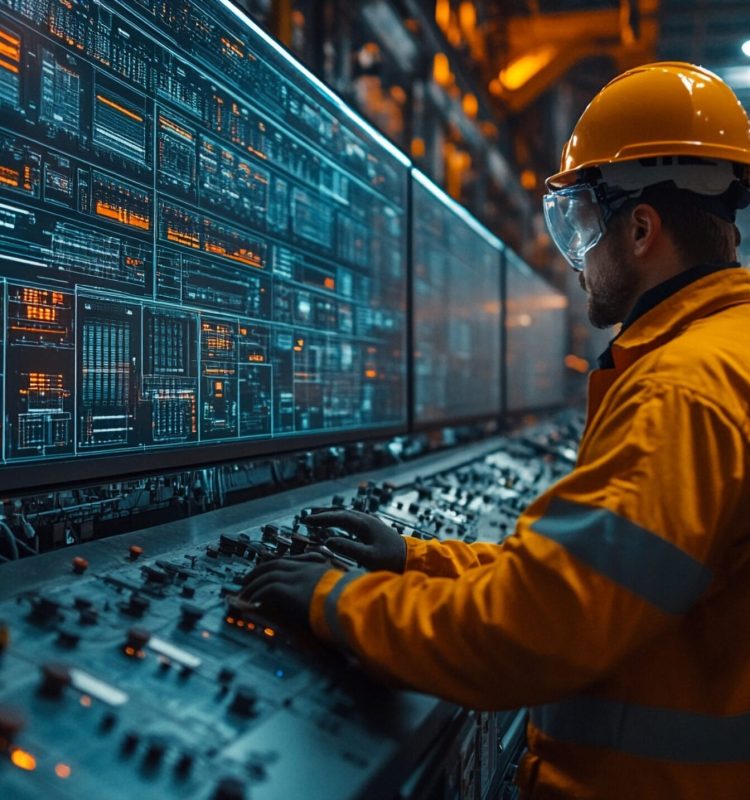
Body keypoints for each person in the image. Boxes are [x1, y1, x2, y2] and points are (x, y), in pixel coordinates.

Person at [241, 62, 750, 798]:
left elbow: (535, 629)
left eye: (584, 224)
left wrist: (335, 603)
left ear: (641, 230)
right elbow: (588, 580)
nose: (577, 264)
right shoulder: (720, 357)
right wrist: (415, 560)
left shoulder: (683, 391)